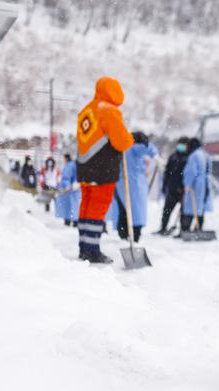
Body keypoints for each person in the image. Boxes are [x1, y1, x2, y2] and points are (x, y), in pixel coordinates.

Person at [75, 76, 134, 263]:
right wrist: (133, 138)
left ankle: (84, 247)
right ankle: (92, 251)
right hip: (102, 168)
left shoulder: (86, 110)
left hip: (84, 168)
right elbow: (121, 141)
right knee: (97, 208)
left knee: (86, 206)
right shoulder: (109, 111)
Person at [110, 131, 157, 242]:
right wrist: (154, 152)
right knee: (134, 212)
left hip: (120, 183)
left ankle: (123, 233)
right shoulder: (135, 148)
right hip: (133, 185)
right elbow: (147, 149)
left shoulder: (124, 148)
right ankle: (133, 234)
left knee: (124, 210)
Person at [156, 136, 190, 235]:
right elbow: (167, 172)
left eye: (183, 145)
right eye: (179, 144)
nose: (181, 146)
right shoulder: (173, 157)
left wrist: (184, 186)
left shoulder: (188, 158)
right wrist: (165, 185)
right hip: (172, 189)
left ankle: (183, 230)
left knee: (183, 212)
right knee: (167, 210)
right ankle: (163, 227)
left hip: (183, 190)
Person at [180, 138, 213, 234]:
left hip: (195, 185)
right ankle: (198, 228)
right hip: (204, 184)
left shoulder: (194, 156)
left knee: (190, 207)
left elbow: (191, 171)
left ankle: (185, 229)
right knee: (200, 208)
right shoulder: (205, 154)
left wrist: (188, 184)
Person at [55, 153, 81, 227]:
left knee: (71, 207)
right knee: (73, 207)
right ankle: (73, 221)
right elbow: (67, 177)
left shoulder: (71, 166)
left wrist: (69, 186)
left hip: (72, 191)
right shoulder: (73, 165)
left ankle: (71, 221)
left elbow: (66, 177)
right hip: (73, 190)